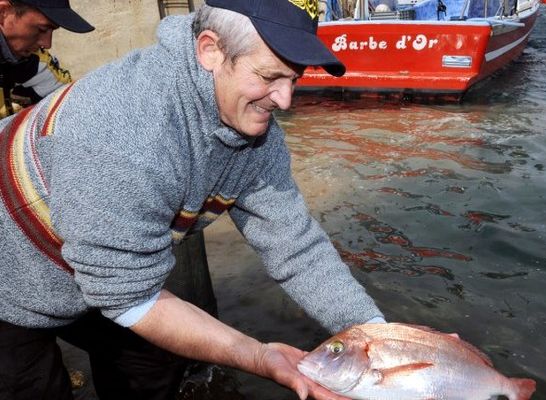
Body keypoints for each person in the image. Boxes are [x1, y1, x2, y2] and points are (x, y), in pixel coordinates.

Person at [0, 0, 386, 399]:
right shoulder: (128, 135)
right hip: (7, 277)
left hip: (93, 263)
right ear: (210, 50)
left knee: (153, 362)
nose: (285, 100)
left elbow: (297, 247)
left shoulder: (256, 134)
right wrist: (257, 356)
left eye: (295, 78)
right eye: (270, 76)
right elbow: (128, 295)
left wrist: (379, 340)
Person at [0, 0, 94, 118]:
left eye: (51, 30)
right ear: (3, 13)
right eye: (42, 29)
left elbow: (70, 101)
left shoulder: (32, 60)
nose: (47, 43)